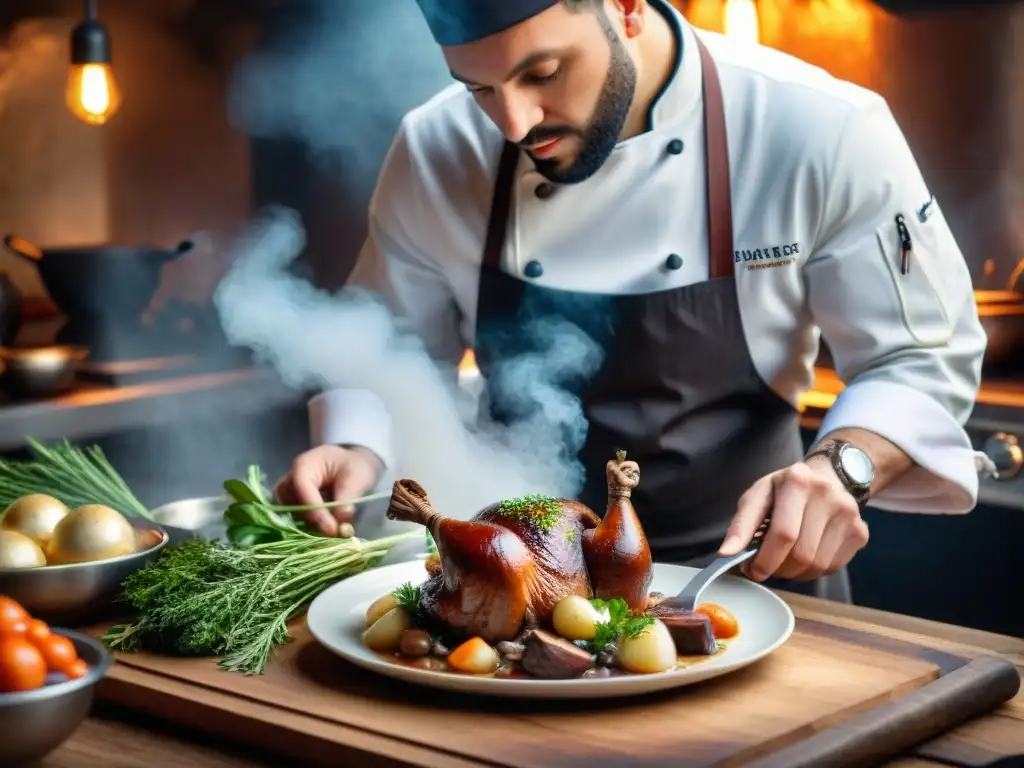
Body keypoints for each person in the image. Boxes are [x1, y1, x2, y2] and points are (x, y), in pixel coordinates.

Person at [273, 0, 987, 601]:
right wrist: (354, 443)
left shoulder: (817, 128)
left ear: (626, 6)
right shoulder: (436, 147)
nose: (515, 124)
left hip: (749, 581)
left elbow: (921, 355)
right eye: (479, 90)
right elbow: (390, 346)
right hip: (517, 590)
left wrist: (842, 468)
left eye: (542, 72)